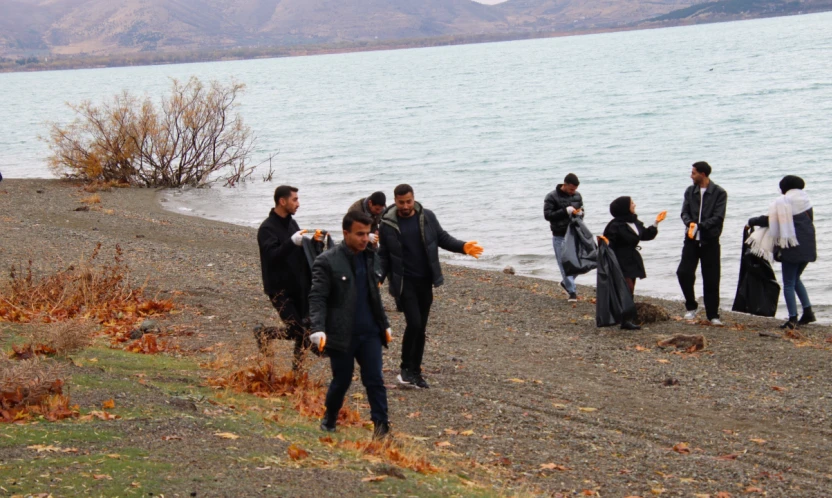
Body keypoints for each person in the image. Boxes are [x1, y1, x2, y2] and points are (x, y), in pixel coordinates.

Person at [378, 184, 483, 389]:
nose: (406, 206)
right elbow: (383, 255)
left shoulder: (427, 217)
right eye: (401, 202)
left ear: (413, 198)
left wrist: (463, 247)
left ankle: (416, 372)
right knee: (414, 324)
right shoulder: (387, 224)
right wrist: (379, 276)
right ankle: (405, 370)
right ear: (395, 200)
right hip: (404, 283)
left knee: (421, 328)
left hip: (425, 281)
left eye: (409, 201)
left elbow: (442, 238)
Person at [308, 210, 393, 439]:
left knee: (375, 380)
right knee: (342, 380)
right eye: (359, 234)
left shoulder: (371, 257)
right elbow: (317, 298)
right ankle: (330, 418)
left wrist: (384, 324)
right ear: (345, 233)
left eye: (367, 233)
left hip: (370, 333)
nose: (365, 239)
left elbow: (374, 296)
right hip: (341, 334)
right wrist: (317, 328)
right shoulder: (326, 261)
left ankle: (381, 429)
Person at [256, 185, 322, 368]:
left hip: (299, 285)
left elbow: (300, 253)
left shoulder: (292, 223)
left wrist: (314, 244)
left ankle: (296, 372)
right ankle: (265, 333)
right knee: (298, 331)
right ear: (282, 201)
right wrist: (292, 242)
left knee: (304, 329)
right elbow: (272, 257)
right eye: (295, 199)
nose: (298, 204)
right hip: (278, 289)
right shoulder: (266, 229)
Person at [747, 175, 817, 330]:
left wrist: (751, 221)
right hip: (808, 246)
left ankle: (792, 318)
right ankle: (808, 311)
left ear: (785, 187)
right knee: (796, 279)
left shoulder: (783, 202)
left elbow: (768, 220)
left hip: (792, 246)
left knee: (788, 283)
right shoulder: (806, 202)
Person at [603, 196, 667, 330]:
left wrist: (656, 223)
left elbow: (645, 235)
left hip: (632, 259)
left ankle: (626, 320)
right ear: (624, 207)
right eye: (632, 203)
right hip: (619, 260)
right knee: (627, 287)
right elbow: (608, 244)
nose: (634, 205)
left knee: (630, 289)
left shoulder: (634, 221)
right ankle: (623, 318)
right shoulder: (614, 225)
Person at [676, 162, 728, 326]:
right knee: (684, 272)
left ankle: (713, 314)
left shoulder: (719, 193)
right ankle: (691, 306)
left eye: (693, 173)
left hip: (710, 240)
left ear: (703, 174)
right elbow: (684, 212)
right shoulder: (690, 191)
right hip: (691, 239)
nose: (691, 176)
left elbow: (718, 217)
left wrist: (701, 226)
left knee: (711, 277)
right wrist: (690, 223)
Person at [543, 173, 584, 302]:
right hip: (559, 235)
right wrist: (565, 211)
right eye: (571, 189)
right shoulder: (551, 197)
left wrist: (580, 213)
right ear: (564, 184)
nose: (573, 192)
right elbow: (548, 215)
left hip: (574, 234)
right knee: (564, 264)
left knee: (580, 263)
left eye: (575, 189)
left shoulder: (577, 196)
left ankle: (565, 283)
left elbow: (582, 211)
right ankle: (572, 292)